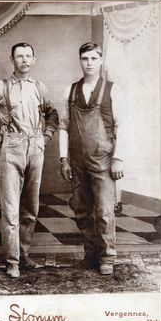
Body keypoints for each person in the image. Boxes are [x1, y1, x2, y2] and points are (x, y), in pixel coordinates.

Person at [0, 42, 59, 278]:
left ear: (34, 59)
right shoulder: (2, 86)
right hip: (11, 148)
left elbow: (52, 114)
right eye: (20, 56)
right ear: (12, 60)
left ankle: (23, 254)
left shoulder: (40, 86)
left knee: (30, 207)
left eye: (28, 56)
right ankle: (12, 262)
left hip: (36, 148)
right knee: (11, 210)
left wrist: (46, 137)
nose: (24, 60)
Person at [59, 42, 124, 275]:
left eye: (94, 59)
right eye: (85, 58)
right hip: (77, 161)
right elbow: (64, 126)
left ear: (101, 60)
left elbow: (123, 125)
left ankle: (107, 257)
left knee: (105, 211)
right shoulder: (70, 90)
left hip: (104, 160)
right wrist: (63, 158)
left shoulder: (112, 90)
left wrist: (119, 158)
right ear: (80, 61)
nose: (89, 63)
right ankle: (91, 253)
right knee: (81, 209)